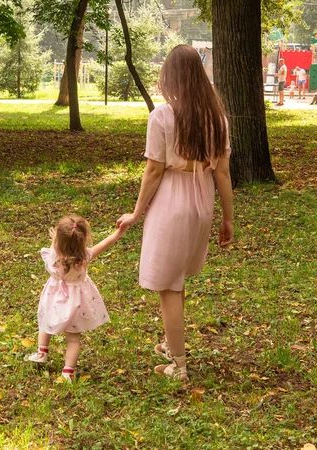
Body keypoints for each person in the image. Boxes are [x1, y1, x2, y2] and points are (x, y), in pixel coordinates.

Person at [116, 45, 233, 381]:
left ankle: (178, 365)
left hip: (171, 201)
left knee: (167, 284)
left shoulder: (163, 116)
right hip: (201, 201)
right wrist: (227, 218)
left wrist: (136, 213)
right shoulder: (217, 118)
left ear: (171, 77)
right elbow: (222, 173)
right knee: (177, 279)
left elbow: (154, 171)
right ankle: (172, 343)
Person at [25, 214, 125, 382]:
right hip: (76, 303)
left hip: (53, 298)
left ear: (57, 239)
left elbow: (57, 243)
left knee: (45, 321)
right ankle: (68, 372)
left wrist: (57, 237)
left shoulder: (53, 255)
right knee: (73, 339)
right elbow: (105, 244)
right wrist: (118, 233)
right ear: (83, 239)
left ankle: (42, 352)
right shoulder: (84, 257)